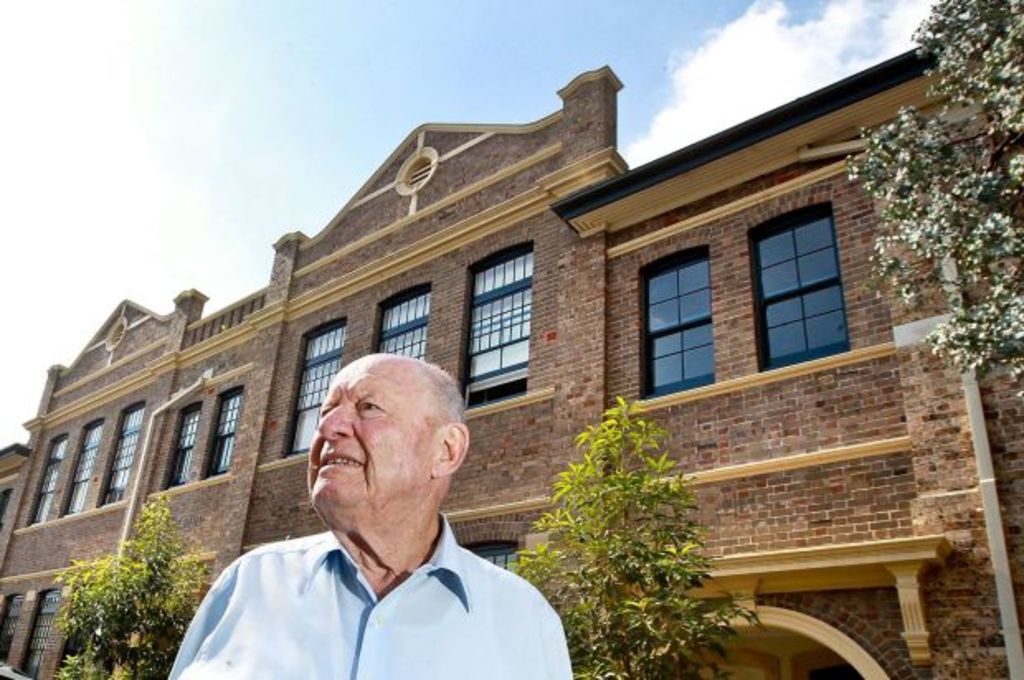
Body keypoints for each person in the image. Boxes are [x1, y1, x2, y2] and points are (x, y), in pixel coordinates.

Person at [170, 353, 572, 679]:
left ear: (446, 450)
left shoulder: (525, 618)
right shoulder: (247, 583)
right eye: (326, 411)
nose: (327, 426)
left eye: (368, 407)